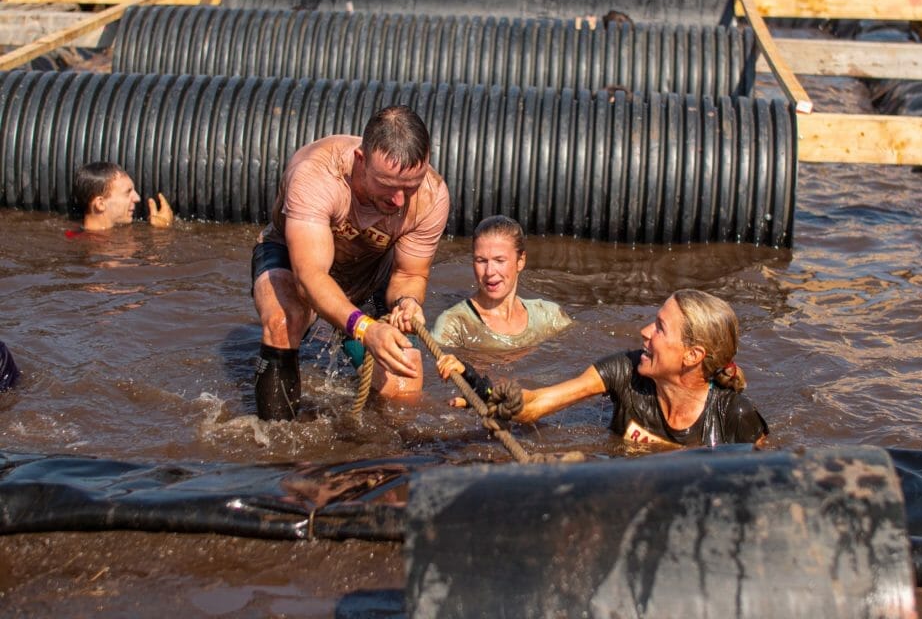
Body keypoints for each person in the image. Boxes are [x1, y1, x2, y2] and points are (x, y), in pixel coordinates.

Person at [251, 105, 450, 420]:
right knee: (283, 321)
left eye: (410, 186)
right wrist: (365, 328)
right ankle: (272, 440)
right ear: (361, 160)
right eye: (388, 185)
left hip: (368, 274)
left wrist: (408, 302)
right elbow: (309, 276)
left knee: (404, 385)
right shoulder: (318, 175)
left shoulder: (431, 195)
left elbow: (409, 274)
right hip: (294, 260)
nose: (399, 200)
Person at [438, 289, 769, 448]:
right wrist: (481, 389)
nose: (644, 332)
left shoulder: (734, 416)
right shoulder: (624, 371)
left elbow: (765, 485)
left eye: (660, 328)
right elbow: (536, 404)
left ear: (692, 355)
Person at [432, 215, 571, 351]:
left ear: (520, 261)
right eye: (481, 261)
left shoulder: (549, 316)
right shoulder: (454, 325)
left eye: (499, 260)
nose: (489, 272)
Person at [70, 162, 174, 233]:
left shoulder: (76, 238)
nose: (137, 198)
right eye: (128, 192)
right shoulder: (96, 248)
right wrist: (162, 233)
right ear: (100, 204)